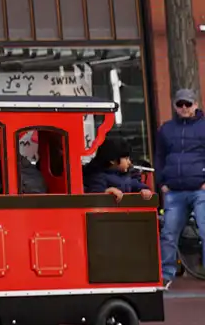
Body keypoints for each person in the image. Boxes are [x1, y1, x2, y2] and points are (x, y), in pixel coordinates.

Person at [156, 88, 205, 285]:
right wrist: (162, 182)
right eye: (180, 104)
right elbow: (159, 156)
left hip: (199, 188)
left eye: (188, 104)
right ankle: (166, 276)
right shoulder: (165, 129)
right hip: (174, 190)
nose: (184, 108)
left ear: (196, 105)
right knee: (168, 233)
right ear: (175, 106)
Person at [85, 136, 154, 200]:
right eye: (126, 159)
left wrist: (143, 189)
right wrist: (106, 192)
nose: (129, 162)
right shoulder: (98, 176)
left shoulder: (129, 174)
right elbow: (95, 193)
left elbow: (135, 184)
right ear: (112, 160)